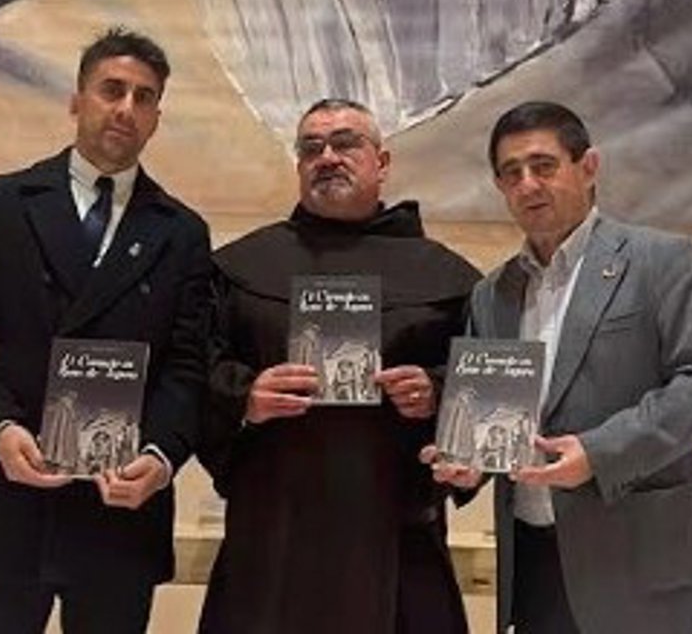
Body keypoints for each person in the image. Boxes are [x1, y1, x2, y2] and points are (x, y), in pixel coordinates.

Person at [0, 27, 211, 633]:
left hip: (119, 513)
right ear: (77, 100)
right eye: (111, 89)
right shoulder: (2, 205)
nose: (125, 108)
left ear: (156, 119)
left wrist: (160, 456)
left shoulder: (181, 232)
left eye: (144, 97)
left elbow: (188, 366)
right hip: (7, 499)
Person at [429, 101, 692, 633]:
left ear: (588, 167)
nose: (528, 184)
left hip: (640, 559)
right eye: (512, 173)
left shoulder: (660, 260)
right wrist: (471, 461)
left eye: (543, 166)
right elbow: (495, 418)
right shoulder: (491, 294)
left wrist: (598, 454)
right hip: (535, 565)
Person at [199, 98, 481, 634]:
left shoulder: (446, 277)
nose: (327, 157)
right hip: (273, 528)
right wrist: (244, 397)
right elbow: (195, 369)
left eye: (346, 143)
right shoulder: (239, 270)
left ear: (382, 162)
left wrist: (438, 391)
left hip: (395, 530)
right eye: (312, 148)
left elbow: (484, 385)